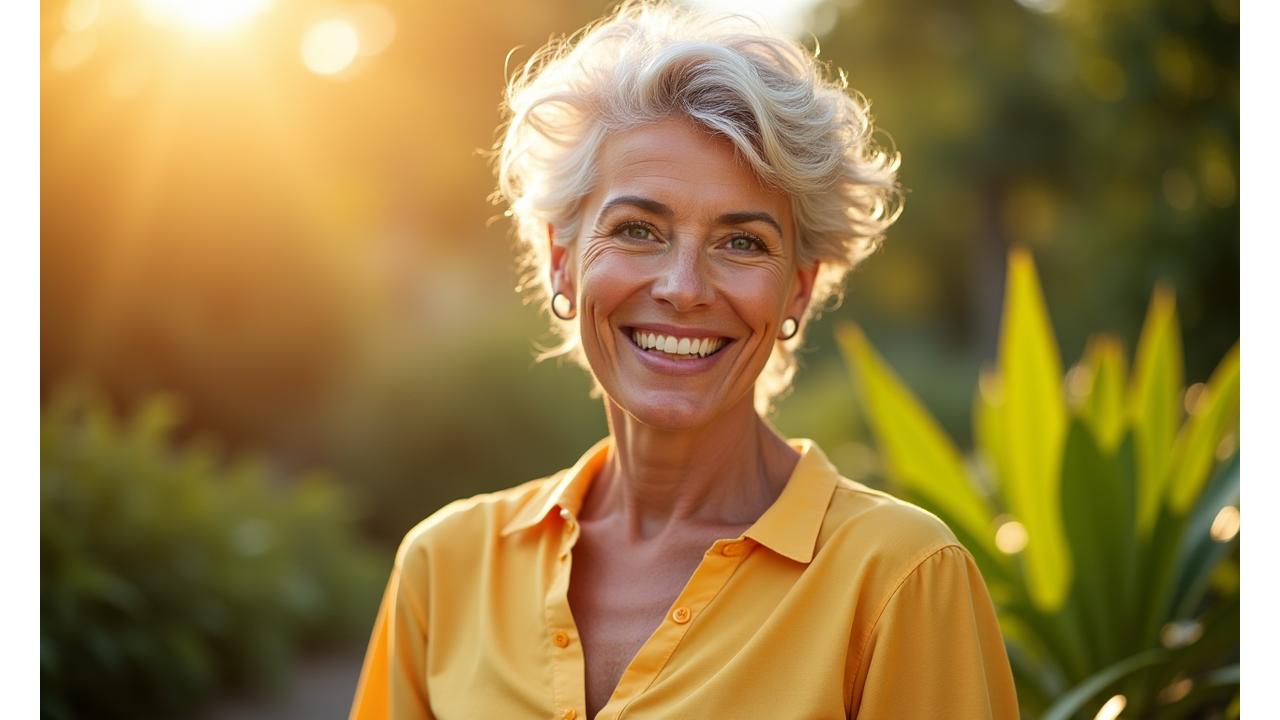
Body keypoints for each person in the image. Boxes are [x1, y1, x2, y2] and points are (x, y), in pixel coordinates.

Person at [350, 2, 1019, 718]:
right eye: (638, 229)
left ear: (797, 288)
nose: (683, 288)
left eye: (742, 242)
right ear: (561, 262)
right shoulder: (445, 568)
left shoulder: (899, 579)